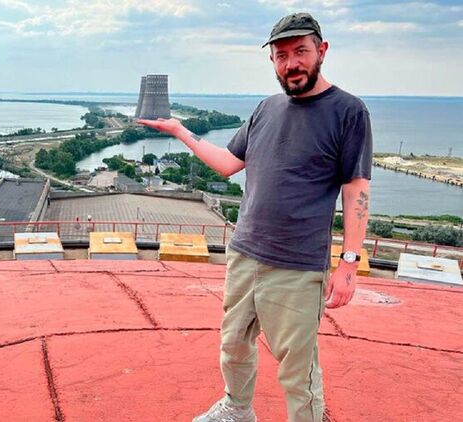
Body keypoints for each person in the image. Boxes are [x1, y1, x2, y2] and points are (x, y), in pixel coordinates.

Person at [138, 12, 372, 422]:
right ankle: (237, 408)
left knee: (297, 368)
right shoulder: (266, 108)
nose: (291, 63)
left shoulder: (348, 111)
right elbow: (228, 163)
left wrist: (349, 262)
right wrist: (180, 132)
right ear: (272, 61)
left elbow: (356, 190)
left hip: (298, 265)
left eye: (300, 51)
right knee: (233, 343)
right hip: (245, 253)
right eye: (281, 55)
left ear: (322, 51)